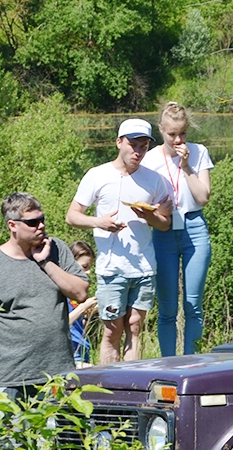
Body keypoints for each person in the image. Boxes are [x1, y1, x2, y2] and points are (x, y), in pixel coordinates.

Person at [66, 118, 172, 363]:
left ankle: (132, 385)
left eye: (144, 146)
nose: (138, 152)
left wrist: (151, 216)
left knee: (135, 328)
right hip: (112, 268)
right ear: (119, 142)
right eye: (133, 145)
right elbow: (72, 216)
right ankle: (109, 388)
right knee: (112, 330)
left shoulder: (155, 180)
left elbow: (165, 224)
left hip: (144, 266)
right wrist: (99, 222)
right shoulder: (97, 175)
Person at [0, 192, 89, 401]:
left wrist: (46, 263)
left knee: (60, 434)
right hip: (11, 379)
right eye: (33, 222)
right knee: (11, 434)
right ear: (12, 225)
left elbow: (80, 292)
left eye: (42, 220)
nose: (41, 226)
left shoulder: (57, 250)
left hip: (57, 374)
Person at [141, 103, 214, 356]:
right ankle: (168, 363)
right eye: (172, 134)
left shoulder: (198, 152)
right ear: (161, 130)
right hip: (163, 230)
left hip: (194, 227)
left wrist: (186, 166)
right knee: (167, 308)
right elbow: (144, 200)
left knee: (193, 305)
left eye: (182, 133)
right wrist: (156, 208)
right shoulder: (149, 159)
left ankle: (192, 361)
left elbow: (203, 197)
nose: (178, 139)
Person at [68, 240, 97, 367]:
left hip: (82, 351)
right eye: (85, 267)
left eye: (90, 267)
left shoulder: (77, 293)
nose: (89, 272)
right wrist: (84, 307)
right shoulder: (59, 293)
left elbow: (79, 328)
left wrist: (90, 314)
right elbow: (60, 324)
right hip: (70, 355)